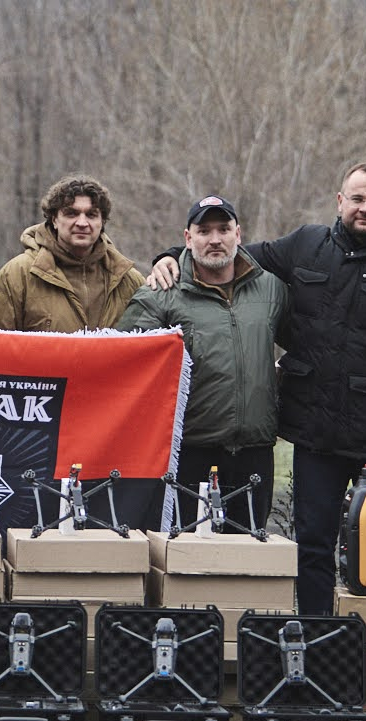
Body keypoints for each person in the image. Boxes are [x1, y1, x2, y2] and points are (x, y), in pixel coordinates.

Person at [149, 162, 366, 613]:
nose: (365, 208)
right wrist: (173, 255)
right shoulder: (306, 245)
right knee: (311, 545)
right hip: (317, 439)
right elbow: (231, 255)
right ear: (340, 201)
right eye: (357, 199)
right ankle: (316, 635)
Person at [117, 195, 287, 530]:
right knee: (188, 553)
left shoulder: (271, 289)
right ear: (187, 238)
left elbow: (310, 341)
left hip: (255, 453)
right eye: (204, 231)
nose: (215, 239)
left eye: (223, 229)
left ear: (238, 234)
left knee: (251, 553)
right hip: (190, 454)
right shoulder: (162, 292)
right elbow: (125, 360)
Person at [0, 174, 144, 332]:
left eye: (91, 214)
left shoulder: (129, 281)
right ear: (54, 219)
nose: (82, 223)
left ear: (102, 222)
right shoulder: (17, 276)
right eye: (71, 213)